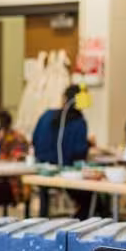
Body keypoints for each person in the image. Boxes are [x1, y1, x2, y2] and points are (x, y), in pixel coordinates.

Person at [32, 85, 95, 219]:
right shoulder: (79, 122)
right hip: (64, 173)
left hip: (42, 172)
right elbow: (79, 154)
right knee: (93, 197)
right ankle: (77, 226)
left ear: (64, 98)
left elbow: (34, 140)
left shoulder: (46, 115)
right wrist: (89, 144)